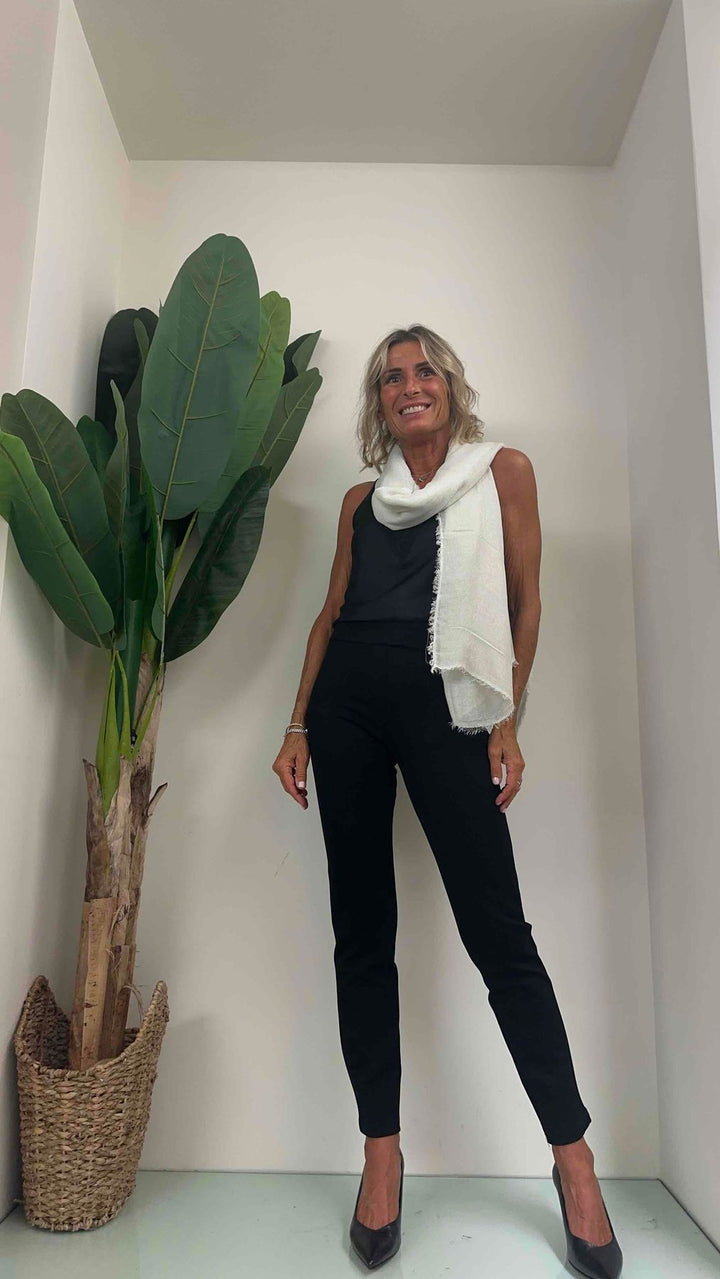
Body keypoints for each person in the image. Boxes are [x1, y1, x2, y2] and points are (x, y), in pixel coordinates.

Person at [272, 324, 622, 1277]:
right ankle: (381, 1154)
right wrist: (298, 721)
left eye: (424, 369)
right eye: (392, 377)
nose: (409, 385)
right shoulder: (360, 501)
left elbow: (525, 602)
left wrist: (507, 719)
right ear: (379, 402)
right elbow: (330, 614)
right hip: (349, 703)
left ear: (450, 385)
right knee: (361, 933)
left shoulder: (502, 471)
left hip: (449, 704)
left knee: (499, 935)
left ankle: (574, 1160)